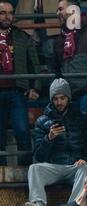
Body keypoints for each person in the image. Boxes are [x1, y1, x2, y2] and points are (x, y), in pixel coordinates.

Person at [24, 78, 87, 206]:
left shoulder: (82, 117)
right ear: (51, 100)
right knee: (34, 168)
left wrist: (86, 159)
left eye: (62, 98)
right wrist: (49, 138)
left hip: (74, 165)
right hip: (54, 166)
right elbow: (39, 156)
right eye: (56, 99)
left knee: (85, 169)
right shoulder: (42, 121)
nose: (59, 102)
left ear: (68, 98)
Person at [54, 0, 87, 164]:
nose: (57, 13)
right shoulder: (60, 39)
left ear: (72, 10)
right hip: (71, 94)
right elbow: (57, 68)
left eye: (60, 9)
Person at [0, 0, 40, 166]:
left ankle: (26, 171)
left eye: (10, 13)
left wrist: (35, 88)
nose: (7, 16)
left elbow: (35, 65)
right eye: (3, 12)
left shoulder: (22, 36)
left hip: (18, 91)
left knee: (23, 130)